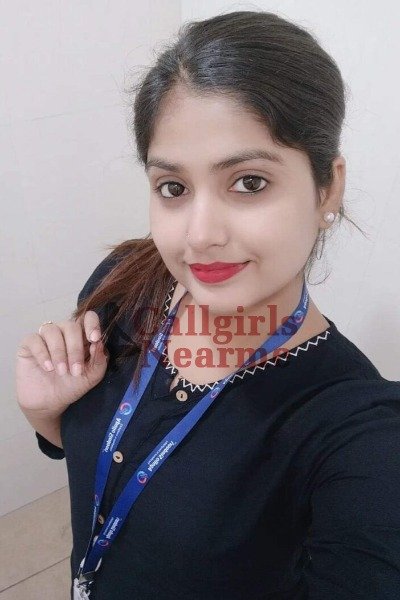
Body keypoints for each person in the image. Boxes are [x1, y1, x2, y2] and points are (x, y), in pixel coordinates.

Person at [15, 9, 400, 600]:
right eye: (173, 188)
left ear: (328, 186)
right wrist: (47, 414)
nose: (199, 236)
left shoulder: (357, 433)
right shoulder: (124, 283)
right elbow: (115, 461)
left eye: (249, 182)